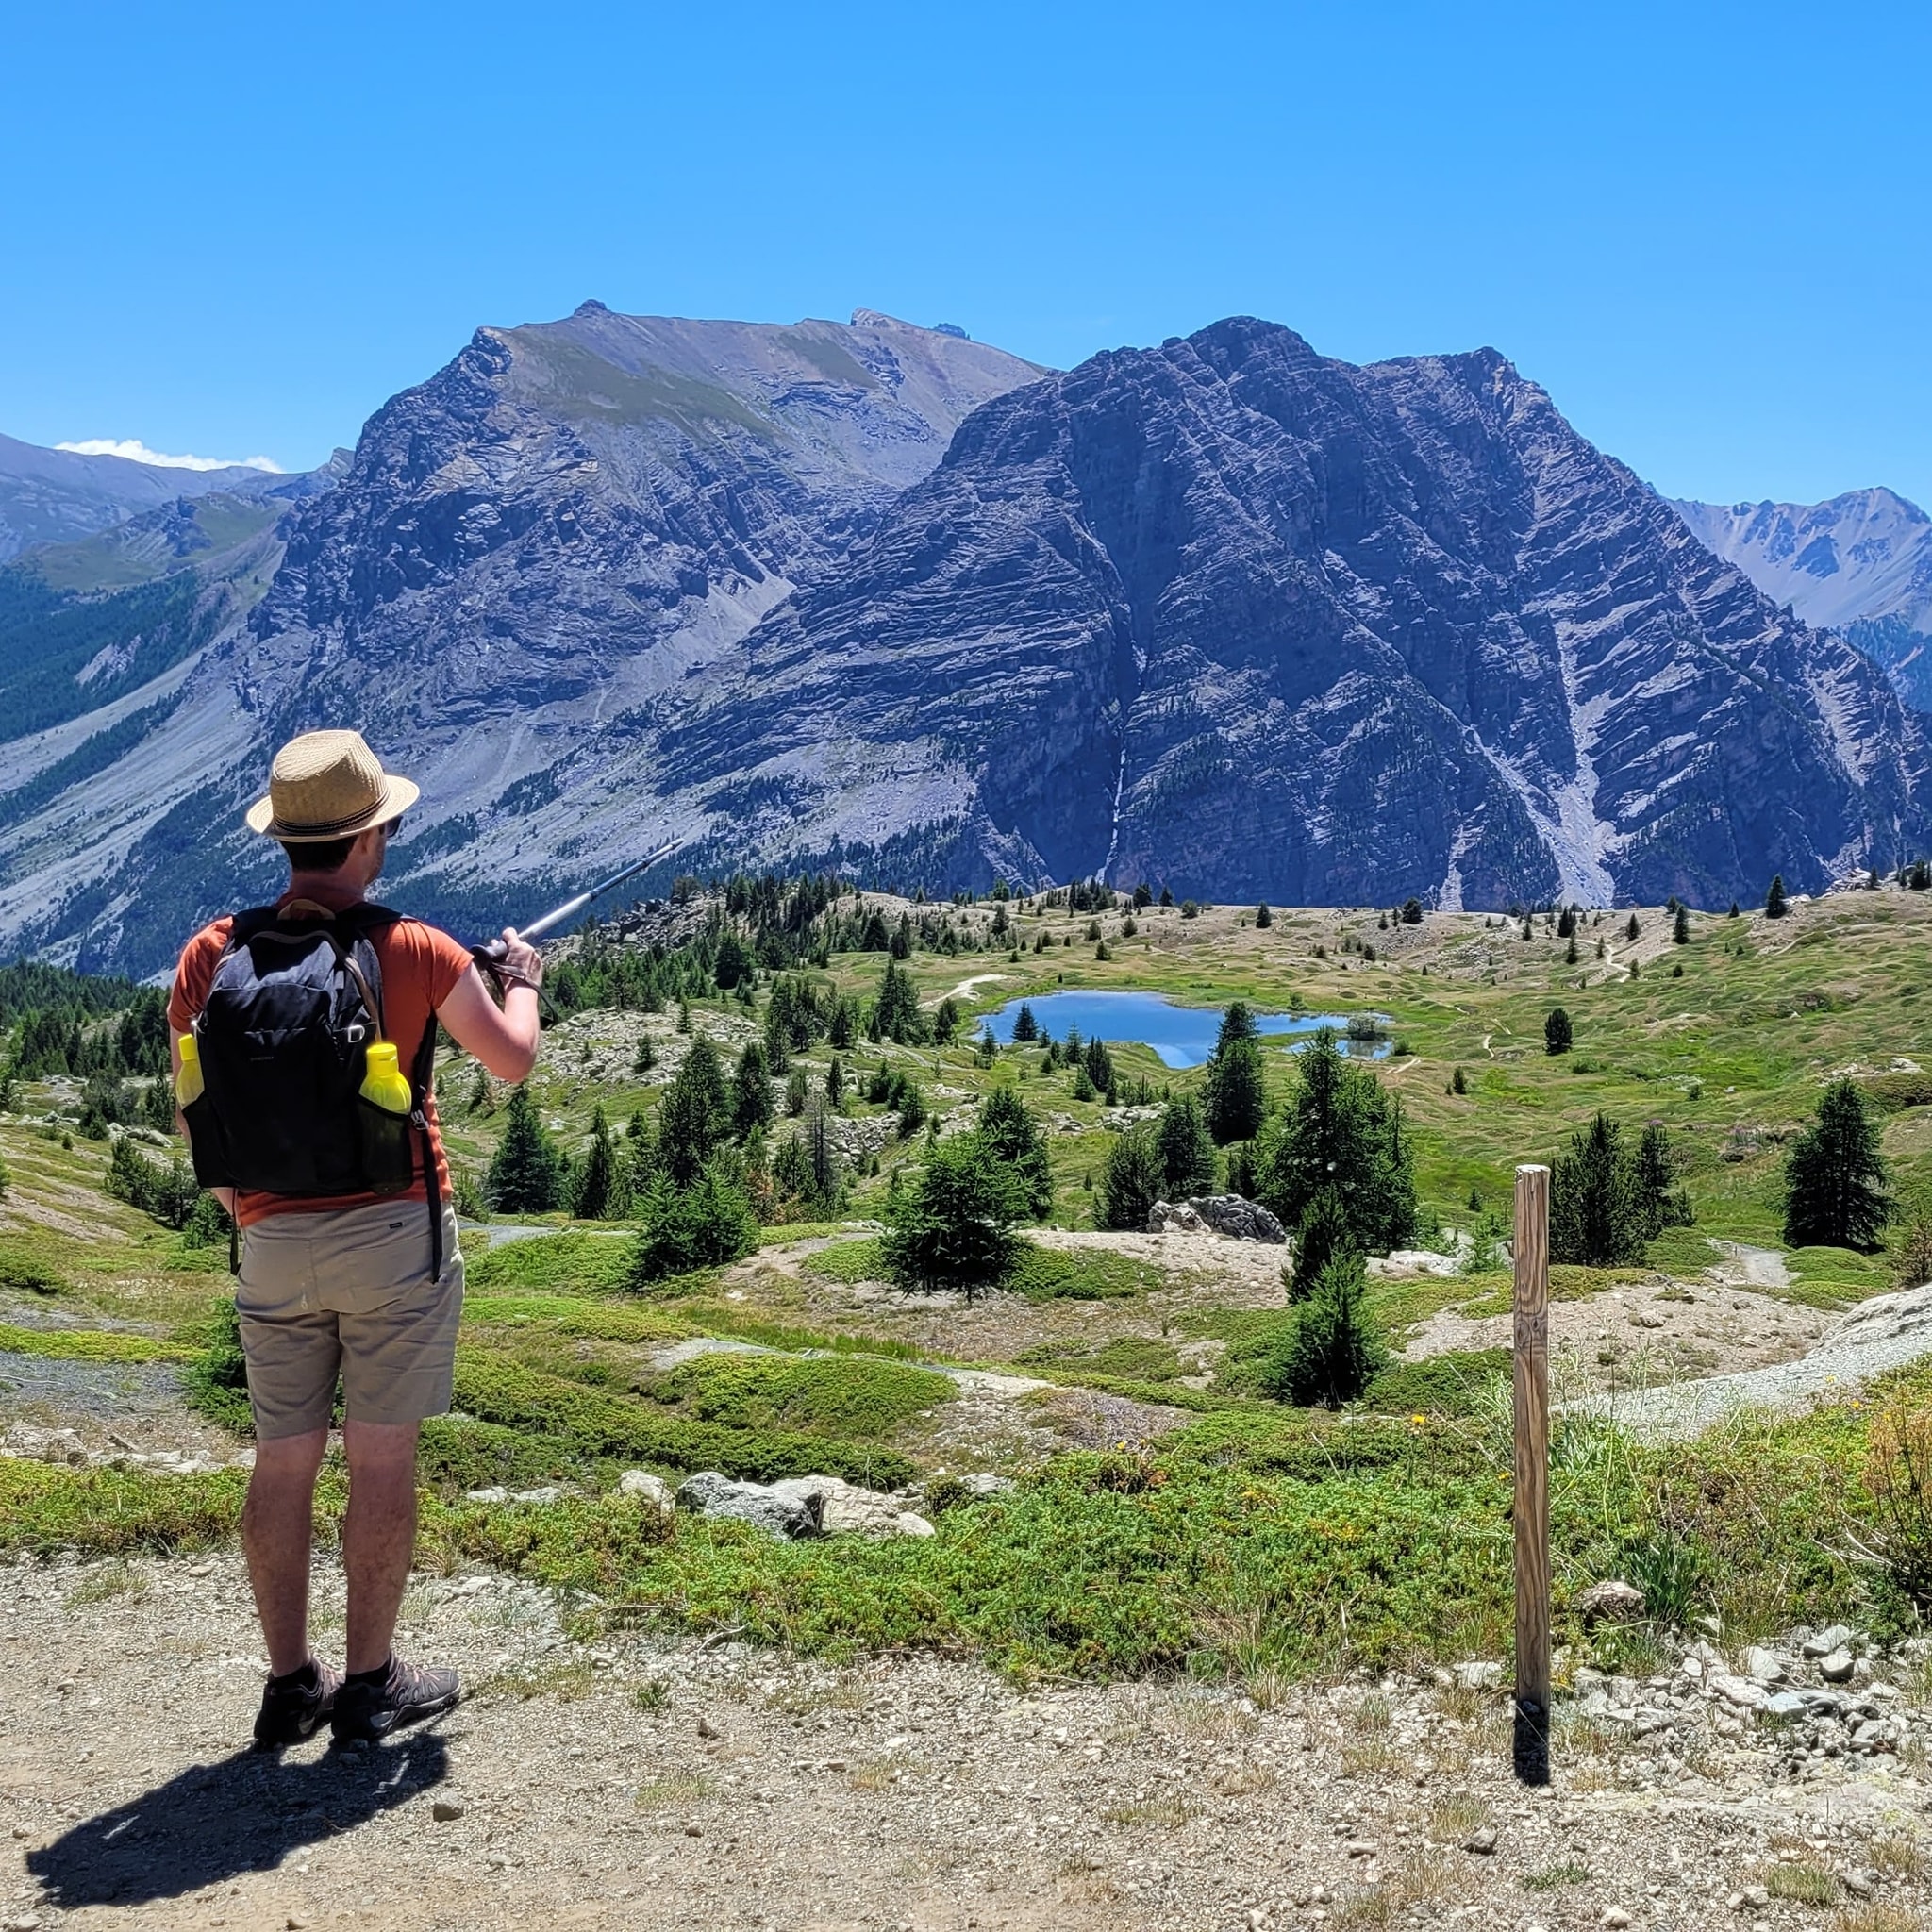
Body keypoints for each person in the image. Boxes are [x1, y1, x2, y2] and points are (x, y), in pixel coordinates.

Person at [169, 729, 543, 1748]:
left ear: (287, 841)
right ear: (370, 836)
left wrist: (254, 1214)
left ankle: (290, 1684)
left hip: (268, 1241)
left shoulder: (211, 953)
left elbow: (194, 1114)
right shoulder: (414, 947)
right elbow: (509, 1059)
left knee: (280, 1459)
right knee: (382, 1461)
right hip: (395, 1233)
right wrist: (523, 977)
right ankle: (371, 1686)